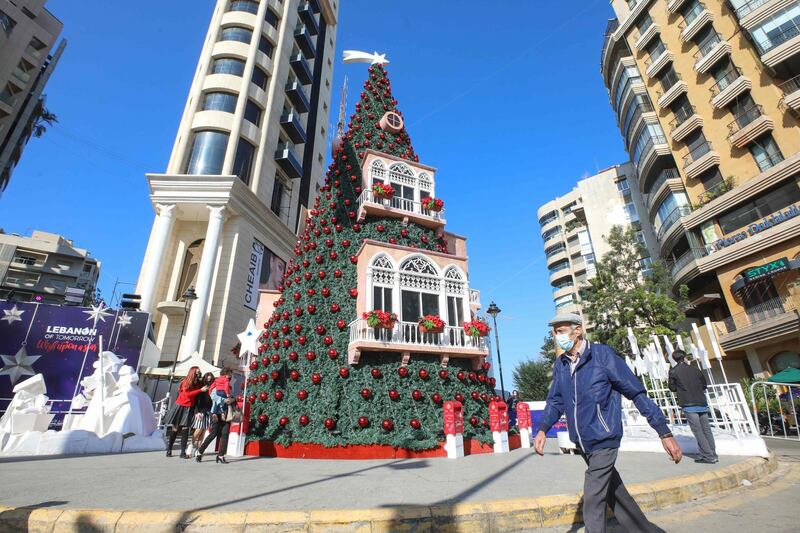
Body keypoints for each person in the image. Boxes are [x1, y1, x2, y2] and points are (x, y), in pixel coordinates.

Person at [534, 313, 682, 533]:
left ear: (578, 330)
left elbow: (636, 392)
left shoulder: (603, 355)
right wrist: (543, 429)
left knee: (593, 496)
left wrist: (664, 432)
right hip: (583, 442)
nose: (558, 336)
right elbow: (556, 400)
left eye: (561, 330)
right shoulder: (562, 364)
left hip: (605, 436)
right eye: (555, 332)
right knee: (616, 493)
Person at [668, 349, 718, 464]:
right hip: (701, 402)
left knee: (698, 431)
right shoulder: (695, 370)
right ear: (684, 357)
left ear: (674, 359)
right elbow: (704, 385)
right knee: (706, 429)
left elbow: (672, 388)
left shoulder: (673, 371)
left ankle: (708, 456)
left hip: (688, 403)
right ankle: (712, 453)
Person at [164, 366, 208, 458]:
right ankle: (169, 449)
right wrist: (200, 390)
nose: (199, 373)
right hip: (181, 406)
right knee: (175, 429)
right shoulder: (186, 382)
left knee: (185, 430)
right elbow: (187, 394)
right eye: (197, 372)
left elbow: (196, 397)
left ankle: (182, 453)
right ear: (193, 372)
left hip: (189, 407)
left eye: (199, 372)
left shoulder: (196, 383)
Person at [197, 368, 238, 464]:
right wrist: (224, 400)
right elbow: (214, 397)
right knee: (213, 434)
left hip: (226, 413)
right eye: (229, 374)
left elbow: (231, 398)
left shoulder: (229, 387)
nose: (230, 377)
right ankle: (200, 452)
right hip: (216, 413)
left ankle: (221, 455)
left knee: (225, 434)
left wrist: (232, 399)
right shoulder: (216, 386)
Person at [190, 372, 215, 456]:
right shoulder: (201, 387)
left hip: (209, 411)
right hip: (201, 410)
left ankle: (198, 449)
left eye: (210, 379)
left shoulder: (213, 388)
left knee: (204, 430)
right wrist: (196, 411)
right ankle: (191, 445)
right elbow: (196, 400)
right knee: (198, 429)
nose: (209, 380)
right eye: (207, 379)